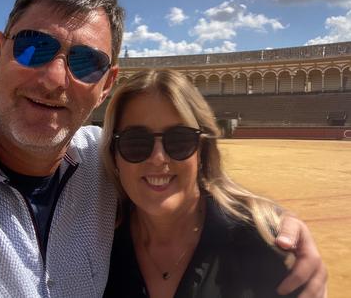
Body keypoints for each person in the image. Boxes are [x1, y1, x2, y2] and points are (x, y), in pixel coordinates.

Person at [0, 0, 325, 297]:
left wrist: (271, 221)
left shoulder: (108, 158)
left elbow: (182, 173)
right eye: (34, 48)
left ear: (105, 86)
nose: (55, 79)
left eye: (85, 62)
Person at [101, 70, 326, 298]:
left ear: (202, 152)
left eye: (179, 140)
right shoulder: (95, 244)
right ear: (114, 156)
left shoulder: (264, 245)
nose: (158, 157)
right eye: (135, 142)